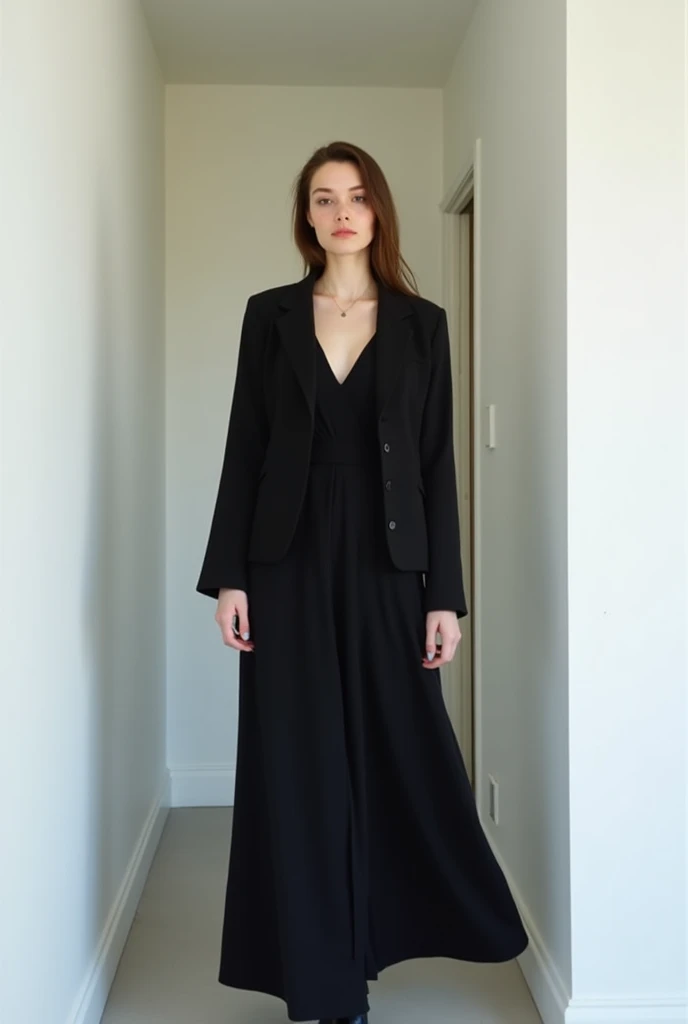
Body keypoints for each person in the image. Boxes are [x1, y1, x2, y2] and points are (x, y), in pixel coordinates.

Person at [196, 141, 528, 1024]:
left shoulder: (424, 324)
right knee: (300, 767)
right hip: (287, 567)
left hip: (391, 568)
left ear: (378, 211)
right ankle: (327, 985)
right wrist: (230, 578)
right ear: (305, 217)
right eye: (322, 197)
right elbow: (245, 453)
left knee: (396, 757)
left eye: (356, 196)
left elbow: (435, 462)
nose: (341, 210)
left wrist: (443, 594)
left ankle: (382, 940)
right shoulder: (269, 317)